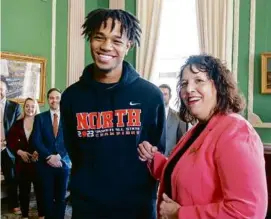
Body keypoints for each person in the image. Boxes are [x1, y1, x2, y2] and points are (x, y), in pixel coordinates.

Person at [60, 9, 165, 219]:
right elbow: (73, 150)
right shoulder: (72, 96)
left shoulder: (150, 95)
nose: (106, 46)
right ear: (90, 39)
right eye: (99, 37)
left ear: (129, 46)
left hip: (137, 207)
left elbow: (157, 151)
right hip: (87, 207)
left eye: (117, 40)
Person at [138, 55, 268, 219]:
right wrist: (153, 159)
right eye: (184, 84)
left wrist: (179, 213)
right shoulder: (196, 131)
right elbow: (188, 175)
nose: (189, 89)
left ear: (218, 86)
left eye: (199, 80)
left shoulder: (236, 131)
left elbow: (247, 212)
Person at [32, 88, 71, 219]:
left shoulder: (68, 118)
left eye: (57, 97)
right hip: (45, 164)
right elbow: (35, 140)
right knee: (46, 198)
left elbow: (71, 140)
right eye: (51, 98)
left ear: (61, 99)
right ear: (48, 99)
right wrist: (49, 156)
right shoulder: (39, 118)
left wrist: (59, 156)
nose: (54, 100)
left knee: (60, 198)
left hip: (63, 163)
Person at [7, 97, 44, 219]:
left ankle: (41, 215)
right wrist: (19, 151)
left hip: (38, 162)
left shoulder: (42, 121)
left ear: (36, 107)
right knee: (23, 191)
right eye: (27, 106)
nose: (30, 108)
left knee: (40, 191)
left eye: (32, 106)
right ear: (24, 108)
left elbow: (46, 140)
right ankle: (24, 215)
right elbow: (10, 141)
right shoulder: (18, 123)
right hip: (22, 163)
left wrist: (39, 152)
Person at [0, 78, 21, 214]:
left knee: (11, 177)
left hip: (7, 147)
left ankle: (13, 204)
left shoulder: (14, 107)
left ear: (6, 90)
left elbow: (18, 129)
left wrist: (7, 142)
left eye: (1, 88)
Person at [159, 84, 187, 156]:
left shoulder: (178, 116)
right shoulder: (149, 115)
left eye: (165, 94)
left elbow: (182, 141)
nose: (162, 96)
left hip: (170, 158)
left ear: (170, 96)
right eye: (160, 94)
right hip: (152, 159)